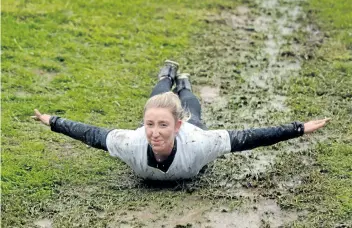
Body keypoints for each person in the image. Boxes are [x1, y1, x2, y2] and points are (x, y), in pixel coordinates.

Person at [33, 60, 330, 180]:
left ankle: (185, 85)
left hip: (192, 132)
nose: (155, 133)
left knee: (192, 111)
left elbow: (247, 138)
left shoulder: (198, 142)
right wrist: (53, 120)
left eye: (163, 125)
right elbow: (93, 134)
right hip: (167, 120)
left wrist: (299, 128)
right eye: (150, 125)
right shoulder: (131, 142)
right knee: (157, 101)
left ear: (177, 126)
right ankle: (167, 76)